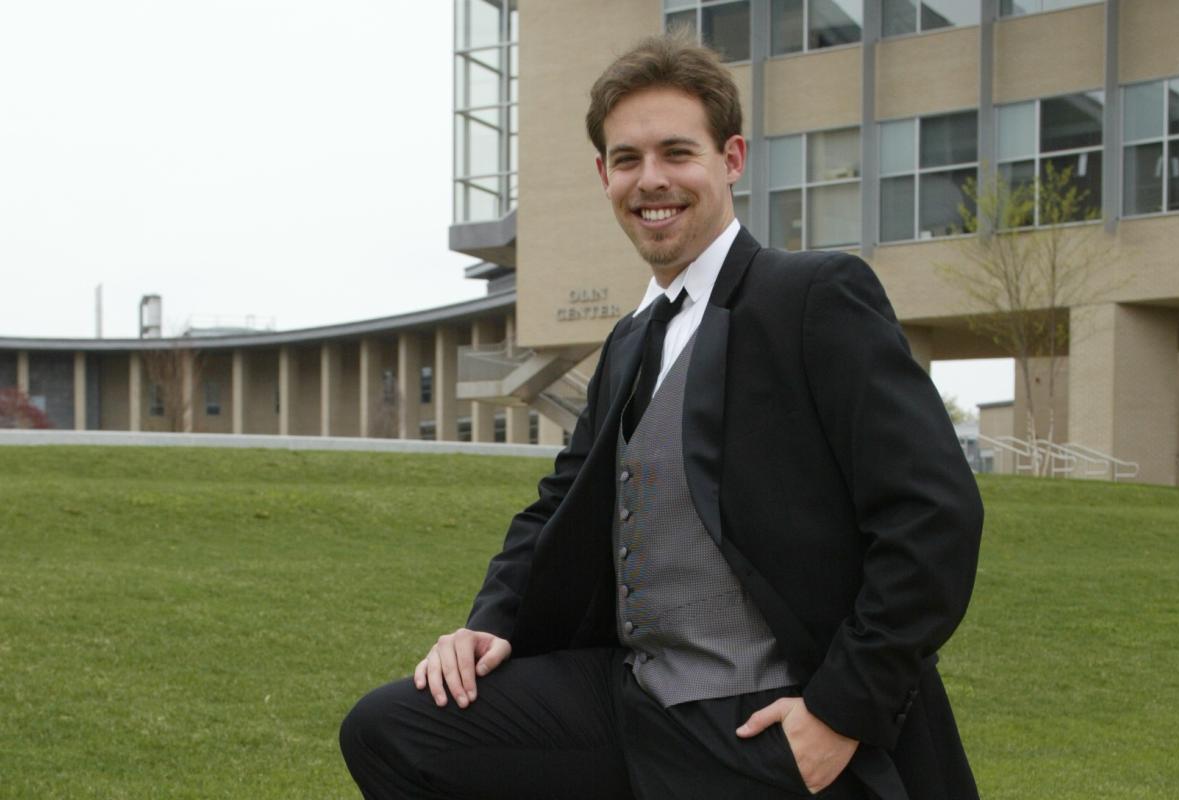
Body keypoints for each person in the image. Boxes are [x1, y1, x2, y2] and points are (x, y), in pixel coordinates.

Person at [341, 34, 983, 800]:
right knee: (394, 731)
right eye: (627, 159)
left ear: (731, 158)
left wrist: (840, 711)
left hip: (763, 714)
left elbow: (933, 515)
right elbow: (559, 502)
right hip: (635, 699)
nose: (651, 180)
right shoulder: (630, 339)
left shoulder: (814, 298)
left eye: (677, 152)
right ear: (604, 176)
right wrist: (489, 625)